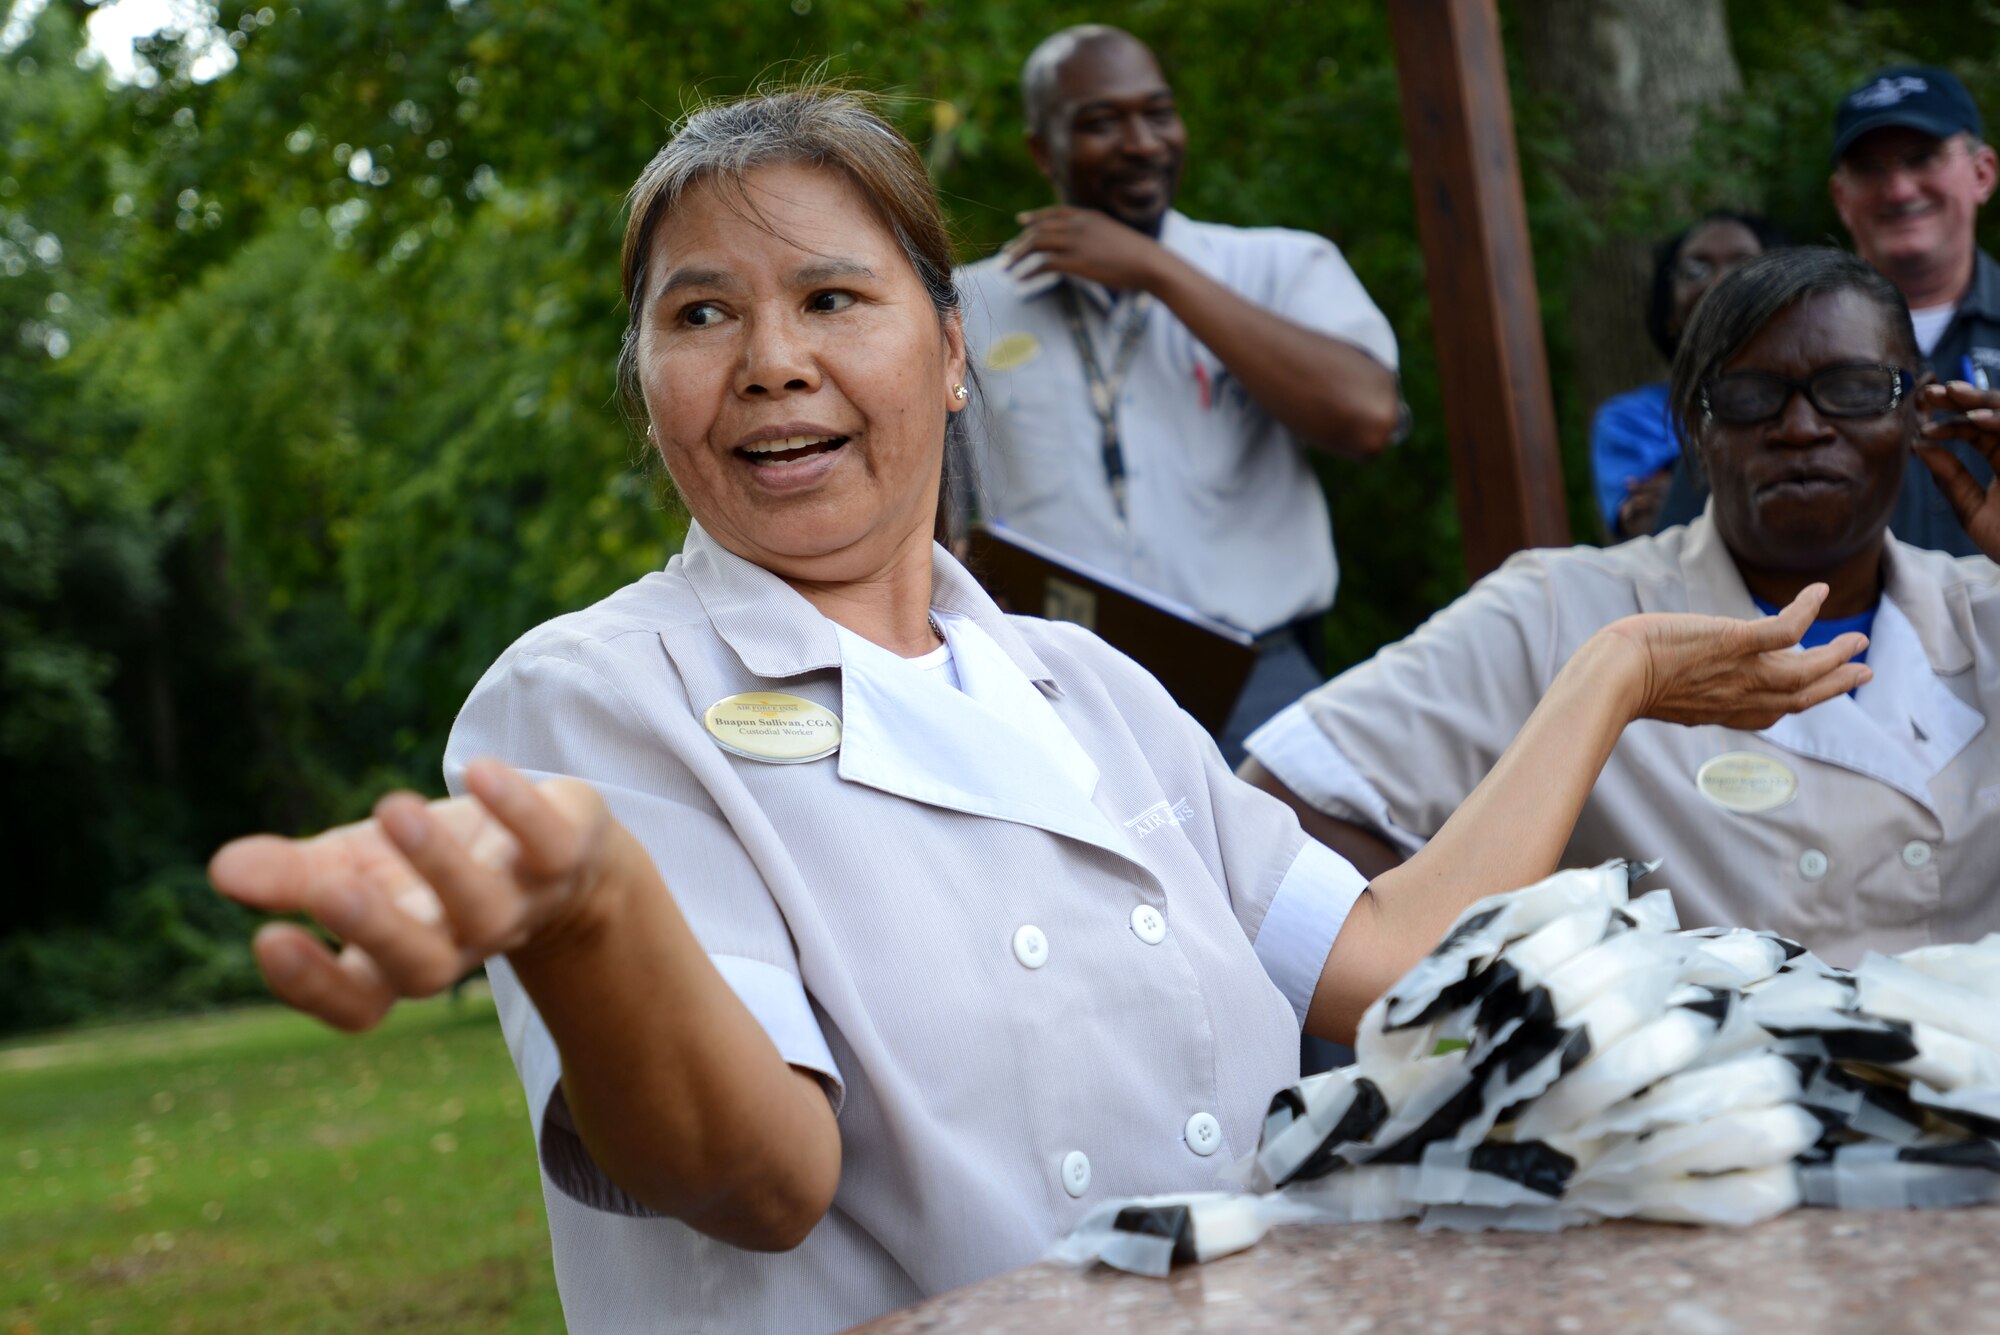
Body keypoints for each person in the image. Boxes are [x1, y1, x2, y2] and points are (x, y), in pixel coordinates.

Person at [206, 91, 1868, 1335]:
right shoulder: (588, 698)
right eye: (699, 312)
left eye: (829, 299)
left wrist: (1615, 676)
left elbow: (1387, 967)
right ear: (650, 385)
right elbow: (757, 1181)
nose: (768, 358)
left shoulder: (1087, 684)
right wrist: (589, 917)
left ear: (949, 352)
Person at [1245, 247, 2000, 969]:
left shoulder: (1986, 611)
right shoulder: (1563, 612)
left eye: (1854, 387)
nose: (1801, 426)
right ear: (1695, 434)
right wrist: (1527, 996)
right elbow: (1274, 807)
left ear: (1920, 411)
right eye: (1747, 397)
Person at [958, 25, 1403, 764]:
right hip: (1061, 689)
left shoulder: (1278, 266)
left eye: (1158, 113)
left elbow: (1367, 418)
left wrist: (1160, 271)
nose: (1141, 142)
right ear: (1043, 150)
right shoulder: (970, 304)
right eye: (1102, 122)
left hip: (1262, 679)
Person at [1653, 65, 1998, 549]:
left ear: (1982, 173)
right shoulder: (1762, 335)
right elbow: (1682, 549)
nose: (1898, 189)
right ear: (1841, 196)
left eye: (1923, 158)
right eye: (1869, 168)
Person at [1591, 212, 1783, 539]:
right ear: (1668, 310)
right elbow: (1653, 528)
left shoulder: (1815, 396)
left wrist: (1687, 489)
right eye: (1695, 269)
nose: (1718, 282)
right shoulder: (1628, 420)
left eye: (1744, 265)